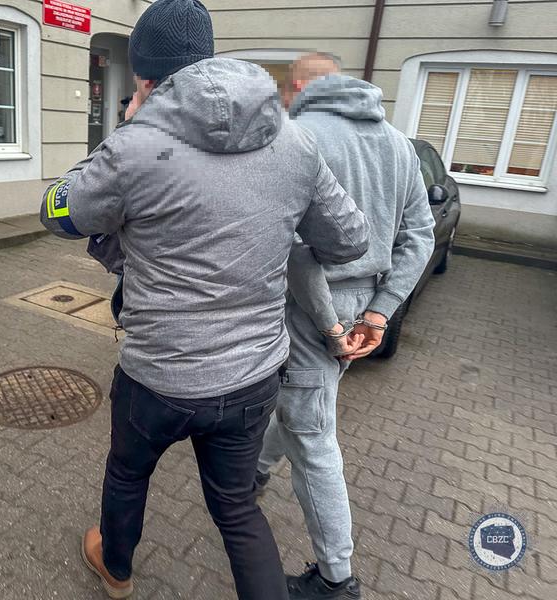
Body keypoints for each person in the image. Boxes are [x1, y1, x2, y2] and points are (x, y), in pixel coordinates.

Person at [40, 1, 371, 596]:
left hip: (157, 377)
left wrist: (123, 135)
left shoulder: (135, 147)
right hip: (252, 377)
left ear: (145, 79)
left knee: (127, 474)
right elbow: (349, 241)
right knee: (236, 508)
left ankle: (116, 568)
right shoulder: (295, 143)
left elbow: (58, 212)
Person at [255, 53, 436, 600]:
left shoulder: (294, 137)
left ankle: (336, 580)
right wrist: (380, 311)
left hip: (310, 305)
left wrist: (331, 326)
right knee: (305, 404)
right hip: (361, 304)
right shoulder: (399, 145)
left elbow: (293, 247)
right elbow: (420, 235)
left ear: (299, 86)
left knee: (314, 437)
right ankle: (255, 471)